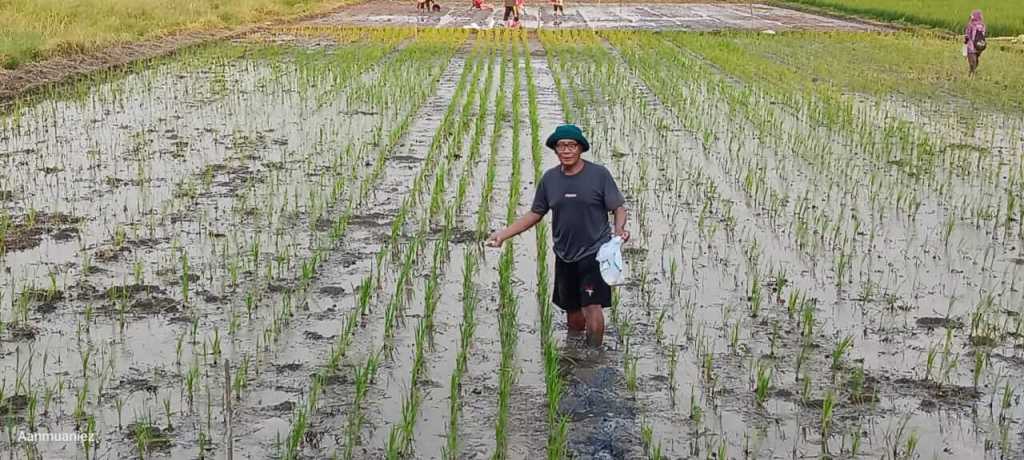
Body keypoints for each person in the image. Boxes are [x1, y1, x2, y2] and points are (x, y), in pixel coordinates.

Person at [487, 124, 629, 347]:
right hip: (564, 253)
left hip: (594, 252)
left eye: (572, 145)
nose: (566, 150)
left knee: (592, 306)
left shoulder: (599, 175)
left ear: (580, 148)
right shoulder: (550, 179)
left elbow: (618, 207)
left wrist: (619, 229)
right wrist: (504, 234)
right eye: (561, 146)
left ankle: (594, 355)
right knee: (572, 310)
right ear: (555, 149)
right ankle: (574, 350)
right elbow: (535, 213)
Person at [964, 10, 987, 76]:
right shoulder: (983, 25)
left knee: (972, 61)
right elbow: (983, 34)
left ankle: (972, 73)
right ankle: (973, 72)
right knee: (976, 59)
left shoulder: (970, 25)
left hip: (971, 46)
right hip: (980, 45)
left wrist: (965, 43)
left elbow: (967, 35)